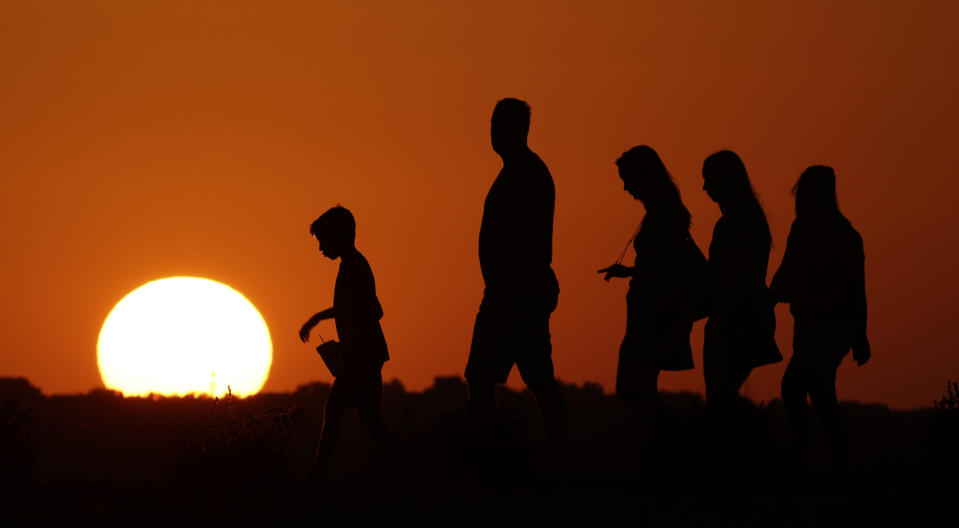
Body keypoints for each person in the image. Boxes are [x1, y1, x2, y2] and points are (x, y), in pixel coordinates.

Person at [465, 98, 568, 471]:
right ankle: (490, 458)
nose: (493, 131)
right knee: (493, 377)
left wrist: (514, 288)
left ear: (520, 129)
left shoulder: (528, 173)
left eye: (501, 124)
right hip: (507, 292)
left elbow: (530, 240)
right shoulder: (517, 172)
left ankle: (494, 461)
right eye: (492, 123)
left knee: (527, 378)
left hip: (517, 293)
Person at [770, 166, 870, 471]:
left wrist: (860, 334)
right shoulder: (808, 230)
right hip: (811, 324)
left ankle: (804, 461)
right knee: (822, 395)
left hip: (831, 325)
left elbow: (855, 288)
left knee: (793, 387)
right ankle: (835, 466)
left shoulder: (842, 235)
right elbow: (786, 273)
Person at [599, 145, 701, 440]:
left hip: (653, 317)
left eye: (627, 179)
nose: (625, 187)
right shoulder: (661, 213)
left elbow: (663, 268)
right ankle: (662, 448)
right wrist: (630, 272)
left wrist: (637, 273)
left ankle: (669, 441)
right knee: (640, 387)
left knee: (633, 386)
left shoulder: (663, 215)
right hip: (648, 314)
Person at [298, 206, 394, 481]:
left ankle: (318, 473)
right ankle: (402, 466)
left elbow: (372, 310)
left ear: (338, 236)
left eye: (322, 241)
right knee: (369, 417)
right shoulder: (352, 265)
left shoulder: (355, 266)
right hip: (363, 353)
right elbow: (354, 308)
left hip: (362, 355)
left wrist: (321, 320)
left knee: (336, 407)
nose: (320, 248)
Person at [701, 151, 781, 411]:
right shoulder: (750, 219)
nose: (704, 188)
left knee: (719, 400)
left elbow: (727, 276)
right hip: (745, 319)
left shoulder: (735, 223)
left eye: (709, 180)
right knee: (722, 398)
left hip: (735, 322)